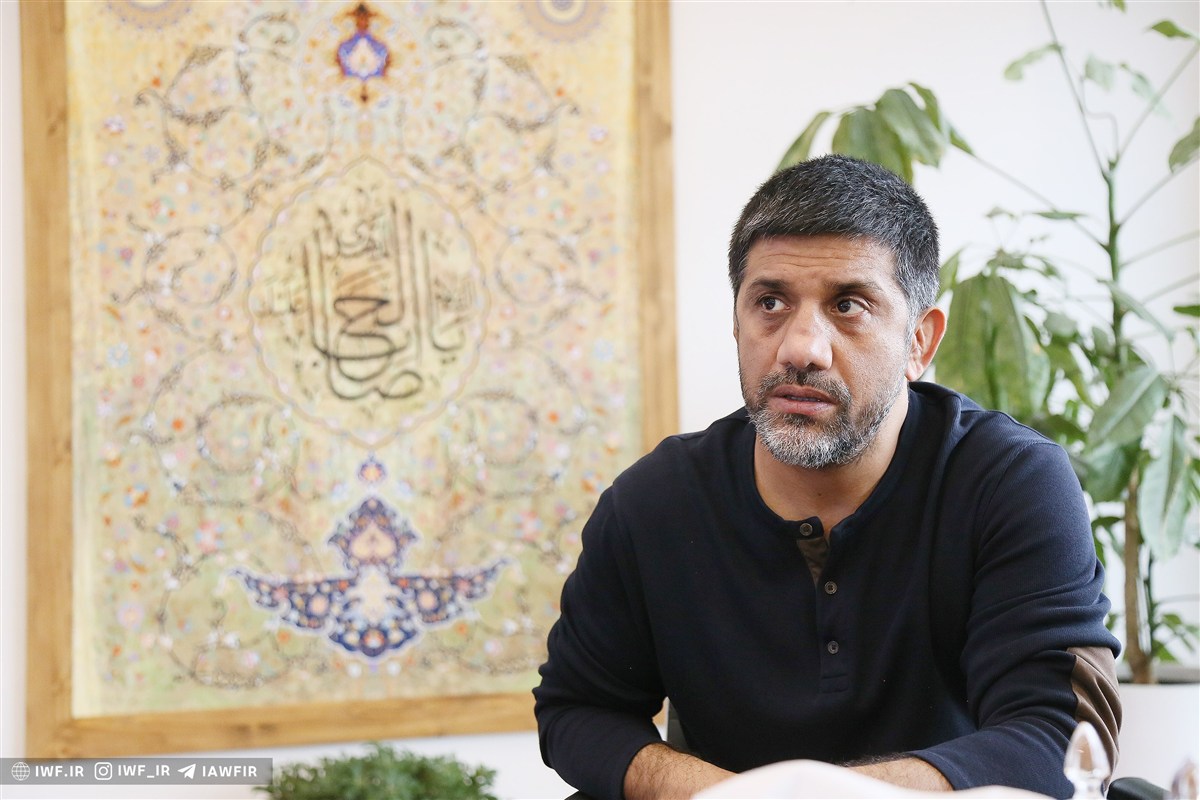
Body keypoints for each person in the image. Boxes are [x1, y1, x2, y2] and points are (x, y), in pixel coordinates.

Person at [532, 155, 1122, 800]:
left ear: (920, 342)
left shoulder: (1008, 482)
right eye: (770, 303)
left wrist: (799, 795)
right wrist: (721, 796)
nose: (800, 348)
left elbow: (1058, 735)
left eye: (848, 305)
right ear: (736, 322)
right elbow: (579, 711)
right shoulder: (653, 501)